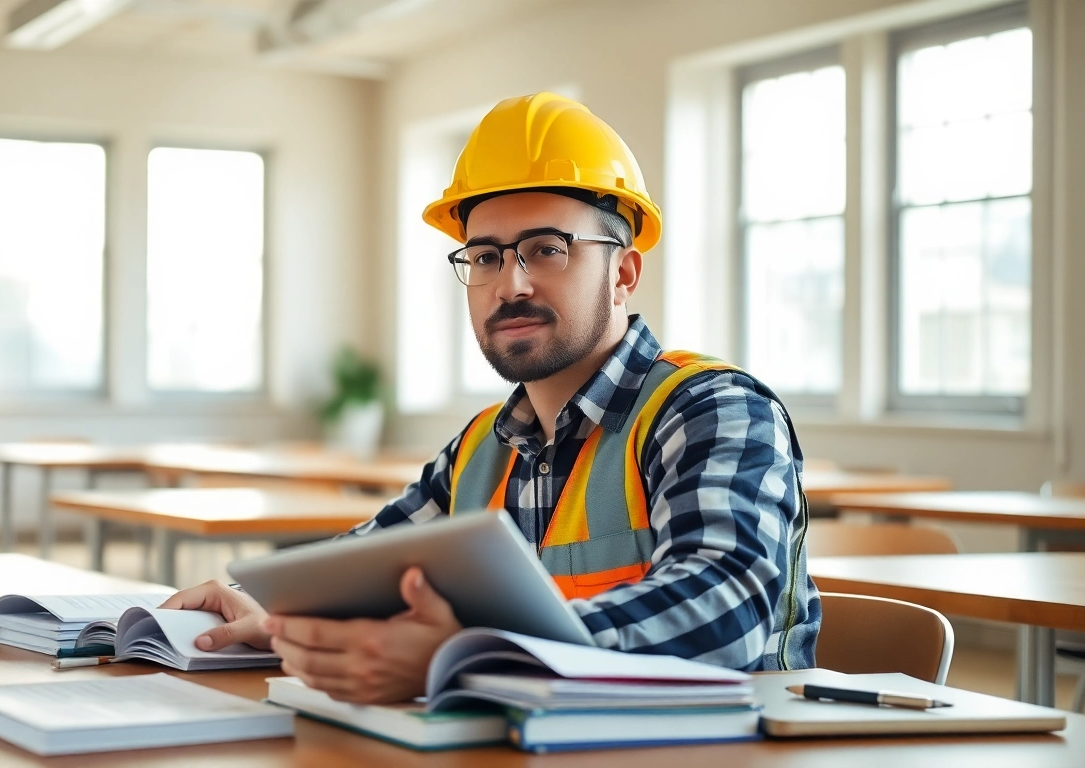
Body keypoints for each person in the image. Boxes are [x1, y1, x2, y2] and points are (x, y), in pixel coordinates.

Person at [162, 92, 820, 705]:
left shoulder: (712, 409)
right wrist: (261, 605)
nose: (511, 284)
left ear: (622, 272)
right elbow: (359, 568)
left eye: (546, 249)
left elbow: (725, 606)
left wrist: (469, 653)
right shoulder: (484, 445)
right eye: (484, 258)